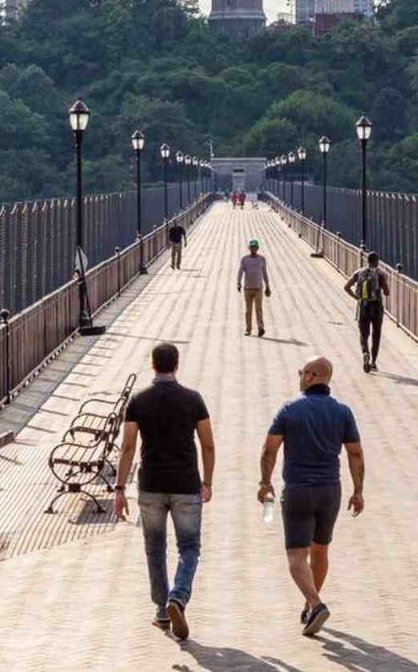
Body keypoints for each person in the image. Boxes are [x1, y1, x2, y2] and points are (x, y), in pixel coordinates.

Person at [114, 342, 215, 641]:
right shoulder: (193, 399)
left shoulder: (138, 401)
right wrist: (207, 481)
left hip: (151, 485)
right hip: (185, 484)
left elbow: (129, 446)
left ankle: (161, 611)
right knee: (189, 548)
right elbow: (207, 444)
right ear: (177, 364)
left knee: (154, 549)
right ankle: (178, 597)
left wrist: (120, 488)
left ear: (153, 365)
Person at [258, 356, 364, 637]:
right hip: (330, 490)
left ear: (311, 376)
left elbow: (270, 450)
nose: (299, 375)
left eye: (301, 371)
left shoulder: (290, 410)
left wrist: (265, 482)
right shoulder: (343, 412)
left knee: (296, 556)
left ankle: (316, 604)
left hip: (298, 490)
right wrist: (358, 491)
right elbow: (355, 453)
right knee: (320, 550)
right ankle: (308, 604)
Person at [342, 252, 391, 373]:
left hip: (363, 306)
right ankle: (373, 362)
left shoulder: (359, 272)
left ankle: (365, 353)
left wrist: (357, 298)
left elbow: (346, 287)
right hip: (376, 307)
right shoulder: (380, 274)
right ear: (377, 261)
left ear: (367, 260)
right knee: (376, 333)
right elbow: (386, 292)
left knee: (363, 333)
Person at [237, 238, 270, 336]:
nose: (253, 249)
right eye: (252, 247)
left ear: (258, 248)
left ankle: (261, 328)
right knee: (248, 310)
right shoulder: (245, 259)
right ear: (249, 248)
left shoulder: (262, 259)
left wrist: (268, 286)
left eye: (255, 247)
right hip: (247, 288)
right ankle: (248, 329)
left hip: (258, 288)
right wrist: (238, 283)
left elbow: (264, 273)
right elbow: (240, 272)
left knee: (258, 309)